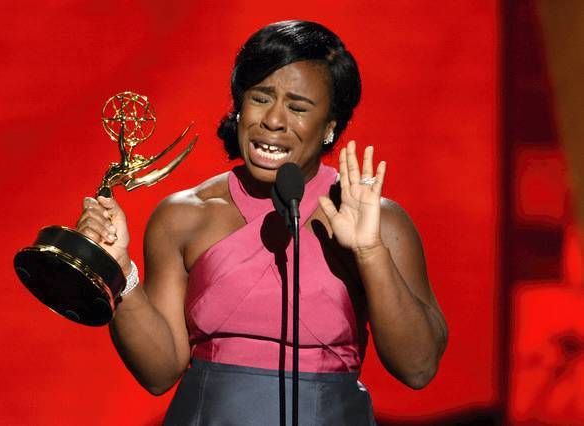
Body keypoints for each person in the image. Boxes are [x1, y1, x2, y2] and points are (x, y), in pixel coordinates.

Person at [76, 20, 448, 425]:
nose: (273, 120)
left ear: (330, 127)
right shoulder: (184, 216)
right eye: (260, 98)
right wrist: (119, 273)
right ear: (238, 107)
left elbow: (418, 367)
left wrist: (369, 251)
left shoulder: (380, 222)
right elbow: (159, 373)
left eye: (298, 107)